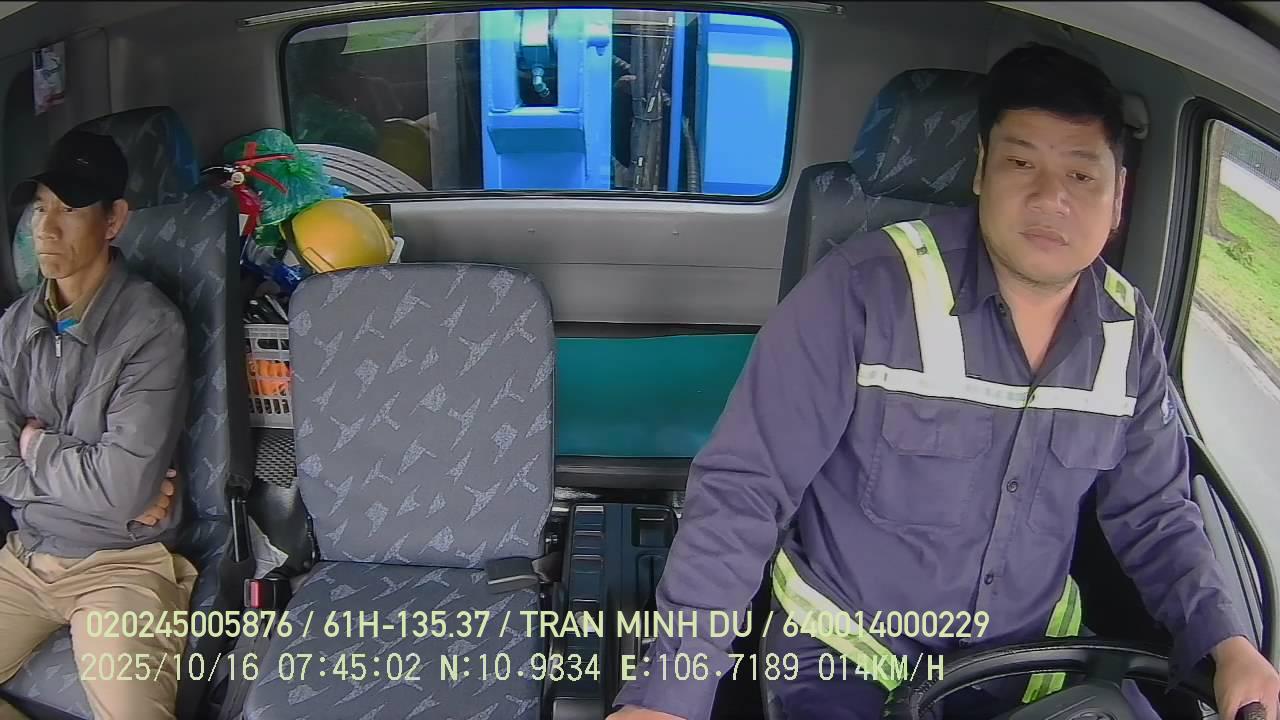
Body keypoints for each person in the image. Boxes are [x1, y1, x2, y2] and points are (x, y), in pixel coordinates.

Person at [607, 44, 1280, 720]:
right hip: (847, 656)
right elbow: (744, 492)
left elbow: (1156, 515)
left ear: (1118, 198)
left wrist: (1230, 644)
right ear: (983, 169)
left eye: (1081, 174)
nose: (1051, 198)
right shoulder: (859, 293)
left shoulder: (1129, 333)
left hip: (1034, 661)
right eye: (1022, 163)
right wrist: (670, 695)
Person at [0, 130, 192, 720]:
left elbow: (120, 490)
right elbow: (9, 471)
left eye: (70, 209)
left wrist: (34, 445)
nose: (46, 228)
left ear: (114, 221)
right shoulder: (13, 326)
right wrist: (97, 489)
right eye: (41, 208)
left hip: (121, 566)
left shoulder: (151, 328)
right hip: (26, 557)